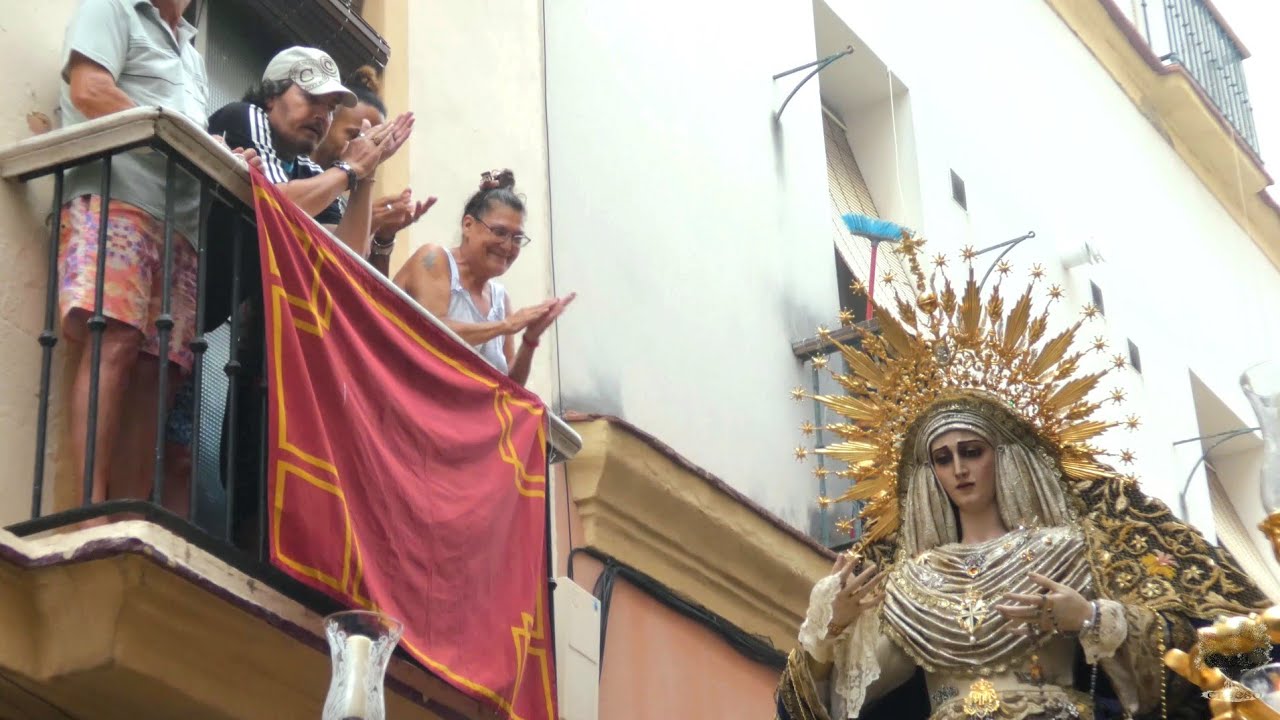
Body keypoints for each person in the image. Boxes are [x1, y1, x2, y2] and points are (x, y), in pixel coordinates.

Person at [774, 241, 1269, 720]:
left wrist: (1089, 619)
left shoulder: (1069, 549)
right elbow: (843, 703)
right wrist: (831, 628)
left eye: (972, 452)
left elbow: (1219, 645)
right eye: (943, 459)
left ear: (1005, 458)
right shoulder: (913, 584)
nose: (959, 469)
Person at [56, 0, 208, 515]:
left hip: (181, 225)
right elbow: (89, 89)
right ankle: (88, 511)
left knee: (158, 369)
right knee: (115, 340)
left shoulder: (192, 51)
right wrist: (181, 145)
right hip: (120, 196)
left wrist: (216, 152)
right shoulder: (114, 8)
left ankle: (123, 519)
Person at [394, 170, 575, 386]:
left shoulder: (499, 298)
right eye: (499, 232)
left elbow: (509, 387)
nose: (507, 246)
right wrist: (506, 325)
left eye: (517, 238)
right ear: (468, 225)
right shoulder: (434, 259)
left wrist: (530, 339)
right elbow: (432, 333)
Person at [309, 65, 435, 276]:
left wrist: (383, 236)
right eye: (355, 136)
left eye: (375, 143)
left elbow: (355, 280)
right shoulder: (293, 166)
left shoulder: (342, 204)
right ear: (328, 122)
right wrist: (369, 223)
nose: (364, 148)